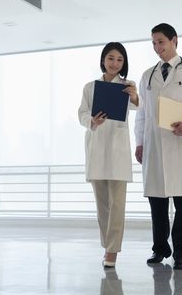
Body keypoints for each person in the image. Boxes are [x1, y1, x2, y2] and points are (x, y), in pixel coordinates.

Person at [134, 23, 182, 270]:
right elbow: (142, 113)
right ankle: (160, 248)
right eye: (154, 43)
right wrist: (139, 142)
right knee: (157, 202)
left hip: (181, 144)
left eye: (161, 42)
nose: (157, 48)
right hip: (154, 145)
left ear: (174, 40)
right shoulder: (147, 75)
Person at [78, 42, 139, 268]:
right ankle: (106, 245)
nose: (115, 63)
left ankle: (112, 251)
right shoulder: (89, 87)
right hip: (96, 149)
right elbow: (82, 113)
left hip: (118, 151)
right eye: (111, 58)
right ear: (103, 59)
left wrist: (134, 97)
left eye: (119, 60)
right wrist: (91, 121)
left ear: (124, 63)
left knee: (117, 204)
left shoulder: (127, 86)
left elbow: (139, 107)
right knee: (102, 204)